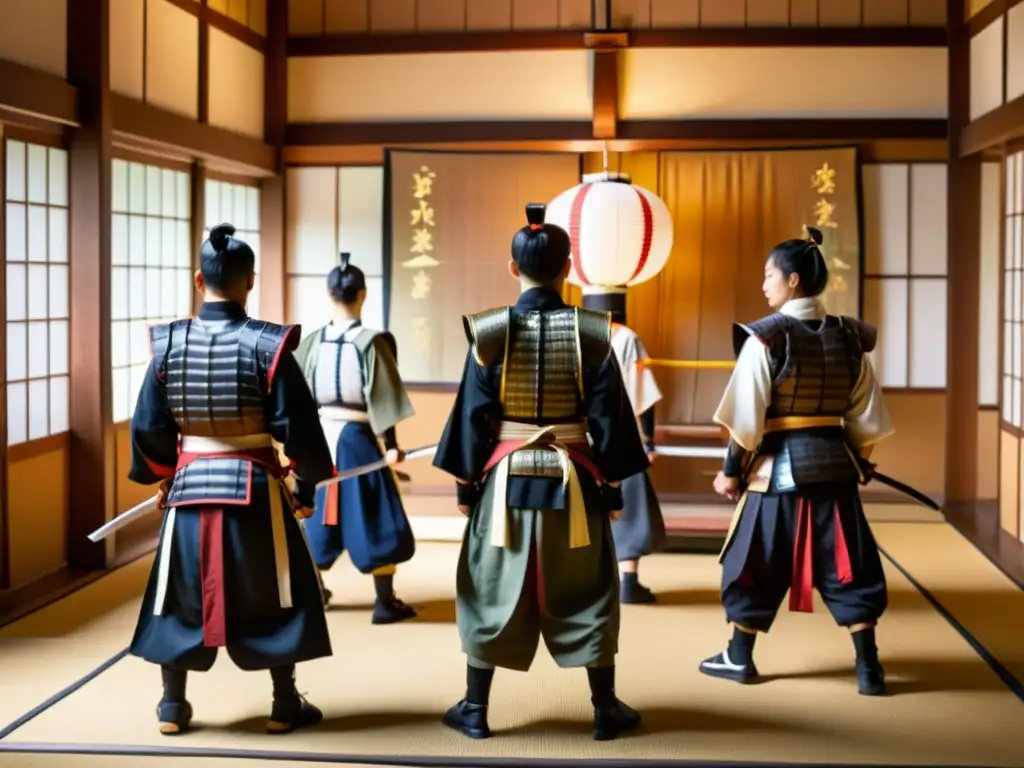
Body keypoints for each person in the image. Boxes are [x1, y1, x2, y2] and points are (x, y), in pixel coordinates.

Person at [433, 203, 650, 742]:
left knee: (489, 586)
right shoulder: (594, 332)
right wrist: (614, 484)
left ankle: (476, 708)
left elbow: (471, 416)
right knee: (591, 588)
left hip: (504, 481)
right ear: (568, 265)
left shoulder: (489, 331)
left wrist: (466, 486)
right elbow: (611, 420)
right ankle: (605, 708)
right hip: (574, 480)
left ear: (513, 268)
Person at [127, 223, 335, 735]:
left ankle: (172, 706)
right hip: (256, 491)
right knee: (275, 591)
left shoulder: (168, 344)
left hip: (191, 489)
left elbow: (149, 427)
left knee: (178, 593)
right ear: (250, 281)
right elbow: (299, 428)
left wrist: (164, 477)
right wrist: (306, 488)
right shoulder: (269, 346)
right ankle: (285, 704)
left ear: (200, 280)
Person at [699, 226, 894, 697]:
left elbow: (746, 418)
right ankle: (869, 667)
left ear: (793, 282)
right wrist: (859, 461)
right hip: (835, 471)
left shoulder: (764, 339)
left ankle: (739, 657)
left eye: (769, 275)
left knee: (754, 562)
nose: (763, 284)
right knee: (850, 564)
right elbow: (866, 416)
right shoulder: (850, 338)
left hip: (774, 476)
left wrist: (729, 473)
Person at [293, 254, 417, 625]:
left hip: (319, 439)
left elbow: (298, 395)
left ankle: (315, 591)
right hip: (357, 438)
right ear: (362, 294)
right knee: (376, 512)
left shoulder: (312, 341)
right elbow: (382, 395)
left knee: (312, 512)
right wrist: (391, 444)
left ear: (329, 293)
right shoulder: (372, 342)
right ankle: (384, 601)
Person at [604, 309, 665, 603]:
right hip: (621, 433)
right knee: (628, 505)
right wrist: (648, 441)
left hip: (579, 436)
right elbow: (643, 394)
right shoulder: (627, 338)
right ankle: (627, 580)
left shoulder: (575, 333)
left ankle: (594, 582)